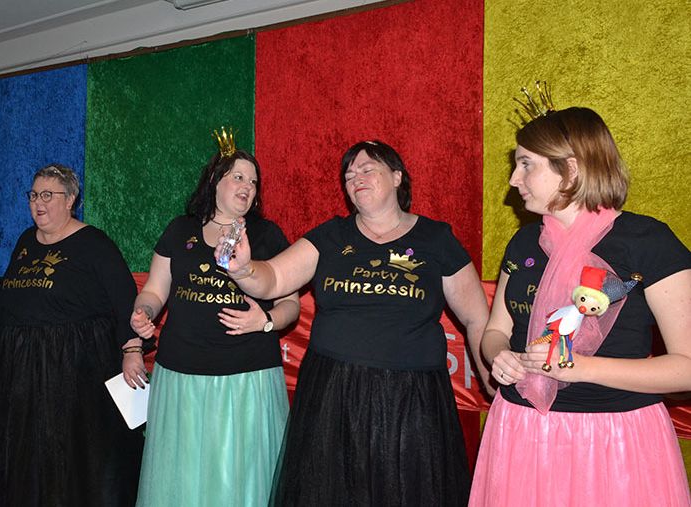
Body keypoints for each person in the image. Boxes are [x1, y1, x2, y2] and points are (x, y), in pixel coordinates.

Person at [222, 140, 490, 506]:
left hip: (412, 400)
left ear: (397, 177)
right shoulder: (330, 236)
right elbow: (273, 279)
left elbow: (476, 317)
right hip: (334, 395)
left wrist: (490, 378)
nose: (356, 179)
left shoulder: (436, 239)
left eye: (367, 170)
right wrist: (243, 270)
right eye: (349, 176)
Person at [470, 106, 691, 505]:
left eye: (526, 164)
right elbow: (496, 331)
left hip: (614, 443)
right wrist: (499, 355)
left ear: (570, 170)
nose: (513, 179)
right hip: (521, 430)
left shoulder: (648, 241)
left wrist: (580, 368)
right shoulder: (523, 242)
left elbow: (686, 368)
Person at [130, 135, 301, 506]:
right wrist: (144, 312)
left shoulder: (266, 235)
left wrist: (266, 321)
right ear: (214, 181)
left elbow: (291, 304)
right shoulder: (179, 230)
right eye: (238, 177)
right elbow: (155, 291)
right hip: (181, 375)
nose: (247, 186)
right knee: (181, 477)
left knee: (240, 479)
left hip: (247, 378)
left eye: (253, 181)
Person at [0, 164, 143, 506]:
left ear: (71, 200)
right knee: (26, 455)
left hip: (73, 370)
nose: (39, 203)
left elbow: (125, 299)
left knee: (68, 454)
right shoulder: (25, 240)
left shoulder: (94, 243)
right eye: (34, 195)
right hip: (20, 370)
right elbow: (30, 287)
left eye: (48, 195)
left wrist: (132, 350)